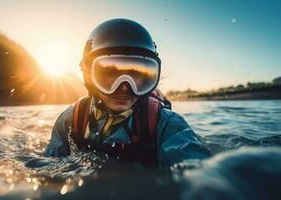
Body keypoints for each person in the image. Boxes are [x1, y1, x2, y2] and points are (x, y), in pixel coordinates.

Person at [44, 18, 210, 168]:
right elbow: (50, 168)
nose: (124, 88)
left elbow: (196, 171)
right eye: (110, 74)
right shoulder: (71, 120)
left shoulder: (166, 123)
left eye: (136, 75)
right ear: (88, 73)